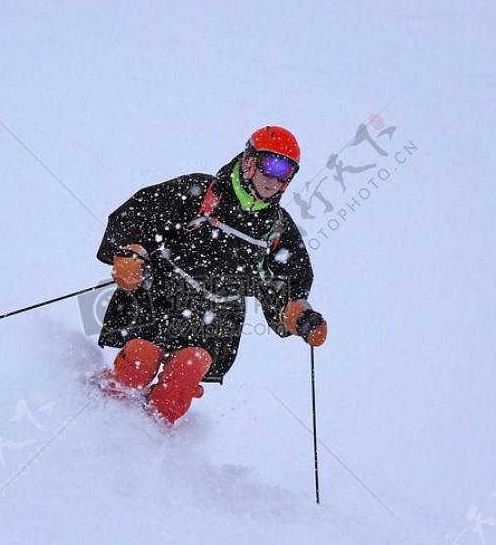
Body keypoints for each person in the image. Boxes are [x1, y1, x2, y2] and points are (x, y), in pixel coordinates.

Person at [94, 126, 328, 424]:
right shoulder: (200, 193)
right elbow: (138, 214)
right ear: (249, 161)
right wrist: (130, 252)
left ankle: (145, 445)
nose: (275, 180)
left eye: (287, 173)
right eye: (271, 165)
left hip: (215, 318)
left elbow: (286, 284)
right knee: (139, 360)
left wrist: (298, 315)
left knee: (182, 379)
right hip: (159, 296)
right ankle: (98, 419)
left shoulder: (276, 229)